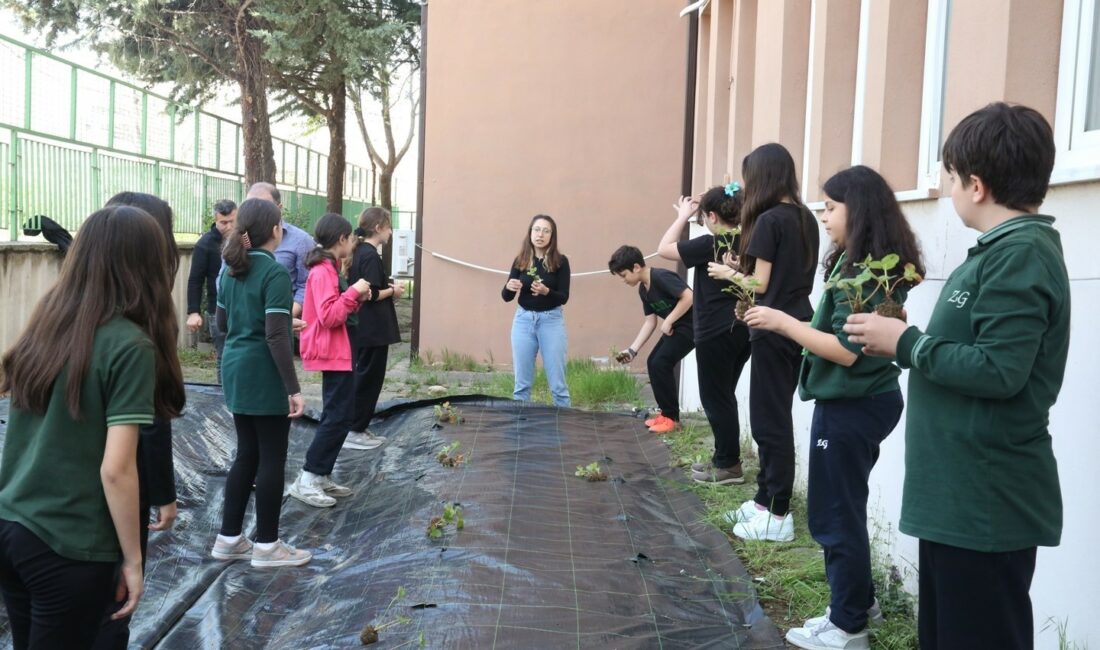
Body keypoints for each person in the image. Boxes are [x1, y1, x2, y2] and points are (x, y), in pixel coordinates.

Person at [844, 103, 1068, 650]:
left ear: (975, 184)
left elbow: (1000, 369)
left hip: (985, 505)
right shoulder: (997, 254)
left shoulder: (1021, 256)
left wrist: (909, 343)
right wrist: (904, 340)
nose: (944, 190)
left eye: (947, 177)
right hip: (959, 501)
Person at [744, 166, 924, 650]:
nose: (823, 216)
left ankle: (848, 626)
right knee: (844, 506)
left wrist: (783, 321)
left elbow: (845, 350)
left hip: (854, 404)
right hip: (861, 400)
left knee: (832, 513)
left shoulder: (867, 271)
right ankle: (857, 603)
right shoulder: (862, 263)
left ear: (857, 210)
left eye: (830, 207)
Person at [0, 205, 185, 649]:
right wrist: (134, 560)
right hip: (69, 544)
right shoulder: (130, 346)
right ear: (148, 266)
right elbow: (116, 470)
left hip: (12, 528)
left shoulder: (48, 323)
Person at [709, 143, 819, 542]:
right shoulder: (806, 218)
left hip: (773, 329)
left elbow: (762, 284)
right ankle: (762, 501)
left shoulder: (770, 220)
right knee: (773, 417)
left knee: (769, 422)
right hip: (795, 324)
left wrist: (727, 273)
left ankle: (777, 512)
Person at [94, 192, 183, 650]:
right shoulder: (135, 338)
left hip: (27, 523)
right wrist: (133, 557)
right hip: (97, 513)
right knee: (113, 611)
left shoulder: (58, 318)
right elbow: (120, 462)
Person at [211, 198, 312, 568]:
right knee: (272, 458)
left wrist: (282, 323)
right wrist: (293, 388)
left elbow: (222, 325)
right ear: (275, 231)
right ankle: (268, 546)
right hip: (262, 373)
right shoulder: (274, 274)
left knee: (246, 454)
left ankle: (228, 539)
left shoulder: (231, 269)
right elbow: (274, 337)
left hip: (234, 370)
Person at [657, 184, 751, 483]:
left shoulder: (713, 242)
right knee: (724, 396)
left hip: (716, 331)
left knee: (715, 398)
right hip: (743, 328)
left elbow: (664, 248)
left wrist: (683, 216)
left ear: (711, 216)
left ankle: (728, 465)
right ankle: (723, 459)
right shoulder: (747, 241)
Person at [289, 214, 372, 507]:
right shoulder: (323, 271)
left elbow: (337, 308)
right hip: (333, 352)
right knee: (337, 415)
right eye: (350, 237)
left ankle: (321, 473)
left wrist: (355, 297)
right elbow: (329, 315)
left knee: (342, 414)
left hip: (341, 351)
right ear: (341, 239)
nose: (352, 242)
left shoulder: (328, 268)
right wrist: (353, 291)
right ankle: (308, 477)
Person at [608, 245, 694, 434]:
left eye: (623, 275)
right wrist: (632, 350)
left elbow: (689, 296)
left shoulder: (661, 277)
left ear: (636, 267)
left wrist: (670, 320)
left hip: (693, 328)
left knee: (661, 362)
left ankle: (672, 419)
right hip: (676, 328)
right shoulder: (643, 290)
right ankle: (665, 414)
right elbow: (650, 322)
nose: (623, 280)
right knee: (653, 362)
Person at [346, 207, 403, 449]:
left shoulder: (359, 252)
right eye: (389, 227)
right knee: (369, 379)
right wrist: (393, 291)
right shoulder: (369, 255)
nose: (391, 232)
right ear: (378, 228)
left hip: (366, 329)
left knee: (365, 376)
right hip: (372, 330)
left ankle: (359, 425)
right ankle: (354, 429)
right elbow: (368, 293)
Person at [502, 215, 572, 407]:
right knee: (521, 385)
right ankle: (520, 425)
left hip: (551, 321)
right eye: (537, 229)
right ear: (530, 233)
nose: (540, 234)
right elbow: (506, 297)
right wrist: (510, 286)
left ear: (552, 235)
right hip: (523, 321)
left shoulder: (561, 262)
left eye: (546, 230)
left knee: (558, 385)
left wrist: (546, 291)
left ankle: (563, 427)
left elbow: (564, 297)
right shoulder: (521, 260)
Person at [243, 182, 315, 318]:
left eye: (264, 206)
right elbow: (223, 281)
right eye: (250, 205)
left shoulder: (301, 241)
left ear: (279, 208)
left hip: (285, 321)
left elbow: (306, 284)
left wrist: (286, 318)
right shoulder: (237, 240)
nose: (256, 212)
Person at [187, 199, 237, 381]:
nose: (229, 226)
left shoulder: (245, 239)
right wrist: (193, 311)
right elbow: (195, 280)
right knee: (224, 356)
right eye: (224, 222)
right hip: (218, 310)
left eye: (233, 221)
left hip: (243, 307)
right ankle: (223, 399)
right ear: (215, 220)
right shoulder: (205, 244)